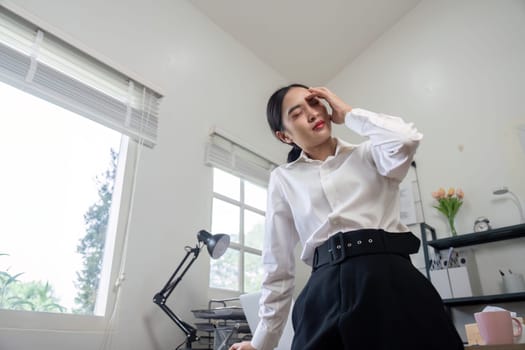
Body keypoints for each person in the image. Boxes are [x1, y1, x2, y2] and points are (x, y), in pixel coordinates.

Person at [229, 84, 464, 350]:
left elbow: (406, 139)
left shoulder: (370, 154)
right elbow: (277, 265)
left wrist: (349, 113)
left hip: (390, 279)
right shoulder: (283, 179)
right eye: (297, 113)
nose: (312, 114)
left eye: (315, 103)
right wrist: (261, 343)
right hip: (323, 293)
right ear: (284, 136)